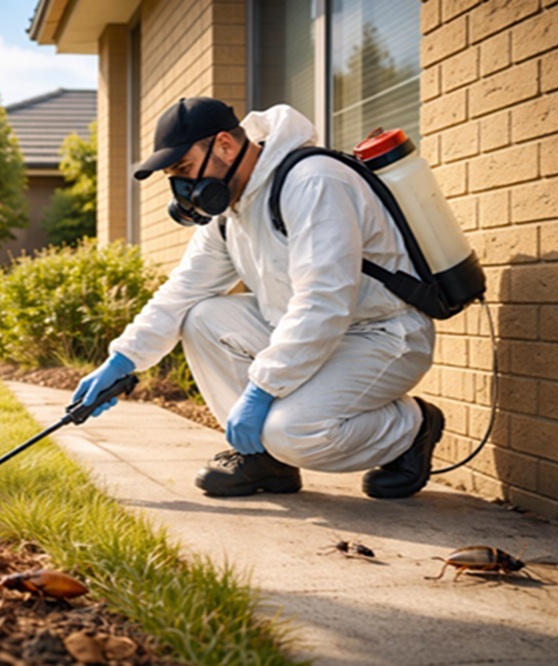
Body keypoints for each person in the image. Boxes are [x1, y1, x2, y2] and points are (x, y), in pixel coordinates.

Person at [72, 97, 444, 499]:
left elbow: (325, 302)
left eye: (183, 169)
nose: (181, 186)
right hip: (313, 332)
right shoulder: (230, 214)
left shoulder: (313, 181)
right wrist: (121, 360)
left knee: (291, 432)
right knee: (201, 316)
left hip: (383, 333)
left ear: (225, 146)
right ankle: (266, 461)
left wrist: (262, 390)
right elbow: (182, 290)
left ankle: (411, 428)